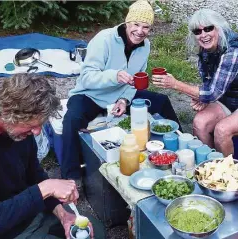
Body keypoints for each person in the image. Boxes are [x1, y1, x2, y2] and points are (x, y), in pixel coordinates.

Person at [62, 0, 182, 180]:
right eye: (136, 24)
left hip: (120, 93)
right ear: (127, 22)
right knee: (72, 119)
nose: (140, 31)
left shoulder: (145, 46)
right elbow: (86, 77)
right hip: (90, 95)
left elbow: (136, 78)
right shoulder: (104, 39)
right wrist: (114, 76)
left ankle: (177, 148)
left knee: (161, 101)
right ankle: (72, 177)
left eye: (146, 27)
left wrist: (124, 100)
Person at [0, 74, 94, 239]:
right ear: (9, 113)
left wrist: (63, 215)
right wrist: (45, 189)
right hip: (4, 232)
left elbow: (34, 174)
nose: (37, 132)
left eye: (40, 125)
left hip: (29, 215)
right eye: (32, 125)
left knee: (94, 231)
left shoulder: (19, 131)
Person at [152, 9, 238, 156]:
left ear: (219, 28)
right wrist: (203, 99)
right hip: (228, 101)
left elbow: (212, 93)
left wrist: (175, 84)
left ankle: (226, 173)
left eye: (208, 28)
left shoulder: (234, 51)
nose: (203, 35)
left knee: (222, 129)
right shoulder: (206, 51)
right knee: (199, 123)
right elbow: (209, 87)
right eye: (197, 31)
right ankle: (210, 164)